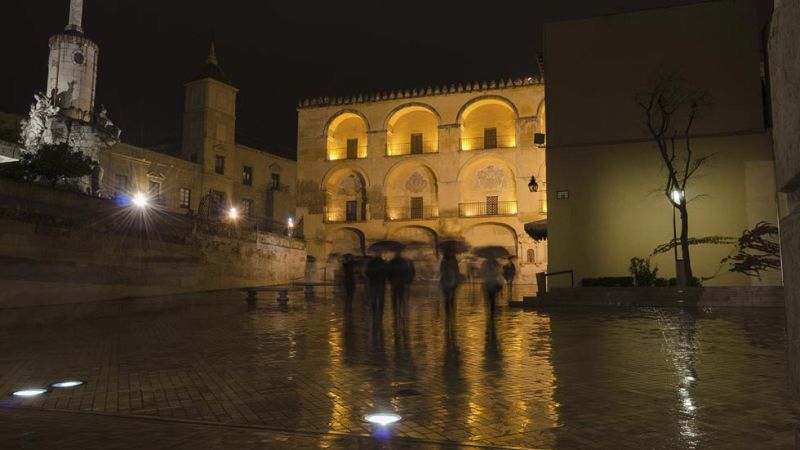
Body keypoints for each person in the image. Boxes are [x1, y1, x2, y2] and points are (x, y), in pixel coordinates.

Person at [387, 250, 414, 319]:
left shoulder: (392, 262)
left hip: (394, 283)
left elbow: (389, 273)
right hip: (400, 282)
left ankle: (395, 311)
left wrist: (390, 280)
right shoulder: (403, 262)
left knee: (394, 297)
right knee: (400, 297)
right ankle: (398, 310)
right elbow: (406, 272)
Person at [365, 254, 388, 319]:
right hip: (381, 283)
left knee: (373, 299)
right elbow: (387, 272)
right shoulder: (384, 263)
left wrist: (371, 278)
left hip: (373, 283)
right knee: (381, 300)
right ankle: (380, 314)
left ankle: (374, 313)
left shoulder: (371, 263)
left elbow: (367, 272)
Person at [439, 250, 460, 314]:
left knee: (451, 297)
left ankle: (450, 311)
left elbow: (457, 271)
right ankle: (449, 311)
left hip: (450, 280)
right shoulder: (447, 261)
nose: (450, 253)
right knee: (447, 297)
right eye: (449, 252)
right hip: (448, 280)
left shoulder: (446, 261)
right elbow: (441, 270)